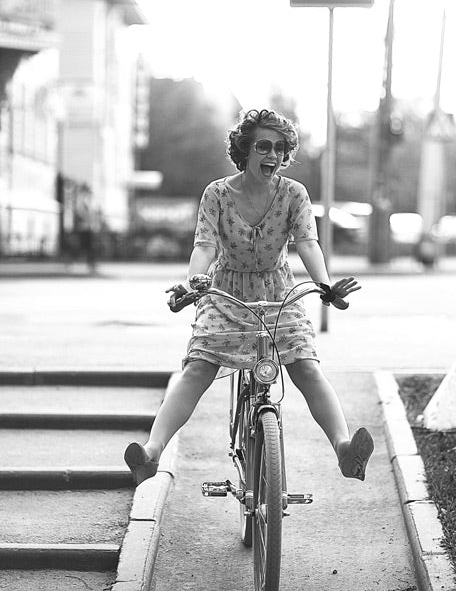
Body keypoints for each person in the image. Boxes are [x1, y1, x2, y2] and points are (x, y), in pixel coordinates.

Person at [124, 108, 374, 485]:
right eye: (263, 146)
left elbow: (308, 243)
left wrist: (324, 287)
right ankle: (152, 453)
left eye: (280, 148)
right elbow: (205, 247)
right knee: (198, 368)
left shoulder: (294, 194)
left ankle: (343, 448)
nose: (273, 155)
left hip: (278, 294)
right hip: (224, 292)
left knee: (305, 365)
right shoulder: (218, 194)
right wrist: (194, 281)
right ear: (245, 150)